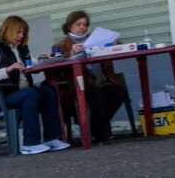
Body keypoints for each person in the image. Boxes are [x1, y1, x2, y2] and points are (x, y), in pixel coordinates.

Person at [0, 15, 68, 155]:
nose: (21, 36)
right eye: (18, 32)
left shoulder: (20, 48)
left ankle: (51, 138)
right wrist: (7, 70)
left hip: (20, 93)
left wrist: (43, 60)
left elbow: (32, 63)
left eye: (23, 33)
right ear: (8, 30)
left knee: (48, 90)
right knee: (31, 93)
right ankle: (30, 143)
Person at [53, 10, 131, 143]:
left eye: (85, 24)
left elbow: (116, 47)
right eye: (78, 24)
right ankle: (104, 133)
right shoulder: (60, 45)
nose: (82, 27)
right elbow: (57, 65)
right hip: (80, 84)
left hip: (103, 78)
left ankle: (95, 127)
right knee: (96, 93)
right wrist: (71, 52)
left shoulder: (95, 38)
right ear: (69, 26)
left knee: (118, 92)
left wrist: (114, 44)